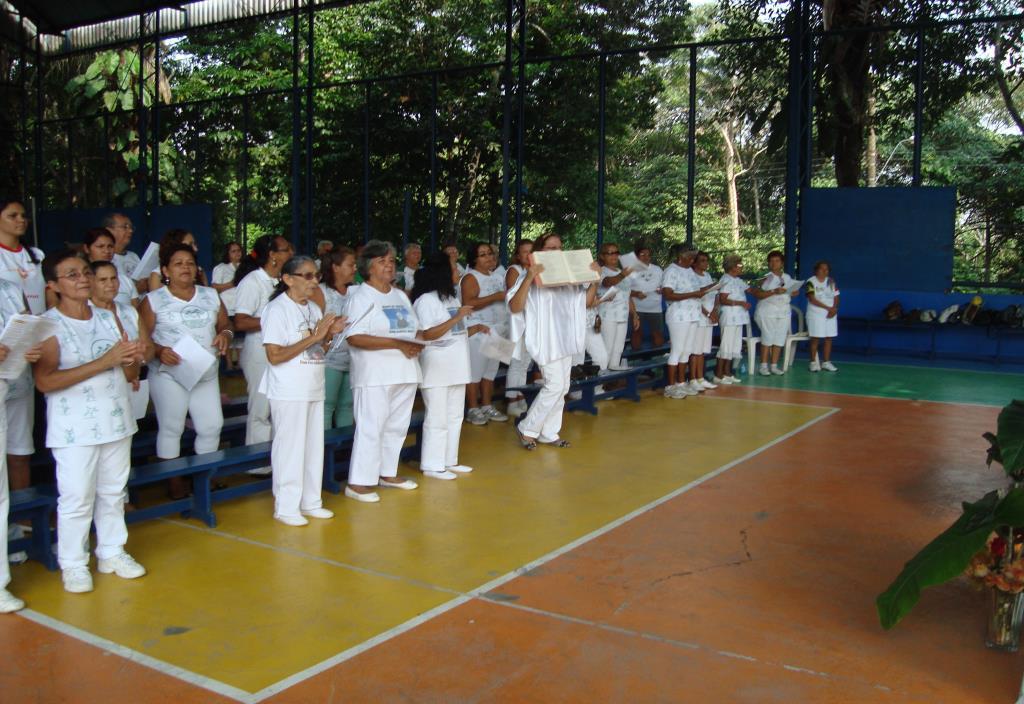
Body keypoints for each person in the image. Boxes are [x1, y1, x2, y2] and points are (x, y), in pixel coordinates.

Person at [35, 249, 147, 594]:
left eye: (84, 272)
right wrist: (106, 361)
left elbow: (129, 370)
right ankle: (74, 563)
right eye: (72, 275)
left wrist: (132, 359)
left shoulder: (107, 317)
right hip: (75, 428)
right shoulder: (49, 325)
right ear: (53, 285)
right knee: (77, 497)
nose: (82, 279)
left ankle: (112, 551)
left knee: (113, 491)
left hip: (115, 417)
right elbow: (46, 381)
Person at [140, 244, 232, 499]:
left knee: (212, 426)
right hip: (170, 373)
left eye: (190, 263)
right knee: (171, 427)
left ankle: (205, 479)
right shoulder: (153, 300)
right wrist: (159, 351)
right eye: (178, 263)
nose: (185, 267)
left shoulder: (210, 295)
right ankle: (175, 483)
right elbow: (142, 338)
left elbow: (225, 324)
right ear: (165, 270)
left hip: (204, 372)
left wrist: (225, 334)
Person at [262, 256, 345, 525]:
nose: (314, 281)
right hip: (288, 389)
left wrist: (331, 334)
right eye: (307, 276)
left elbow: (319, 348)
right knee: (290, 448)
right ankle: (286, 506)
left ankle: (311, 501)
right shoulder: (277, 310)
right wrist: (316, 336)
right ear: (288, 279)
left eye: (316, 275)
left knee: (312, 447)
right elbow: (274, 355)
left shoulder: (313, 308)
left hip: (312, 385)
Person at [343, 240, 423, 502]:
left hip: (405, 371)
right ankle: (358, 483)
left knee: (397, 426)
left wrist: (418, 343)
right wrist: (397, 343)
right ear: (368, 267)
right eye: (382, 261)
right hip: (374, 374)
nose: (389, 265)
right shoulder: (360, 297)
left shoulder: (399, 295)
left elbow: (414, 329)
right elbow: (354, 337)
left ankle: (387, 473)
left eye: (391, 260)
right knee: (371, 427)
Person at [507, 233, 599, 450]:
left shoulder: (567, 278)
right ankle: (527, 428)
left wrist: (595, 280)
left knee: (563, 386)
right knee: (554, 385)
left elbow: (586, 302)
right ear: (539, 252)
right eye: (550, 248)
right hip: (545, 339)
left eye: (558, 247)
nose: (555, 251)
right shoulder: (527, 276)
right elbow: (515, 307)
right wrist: (529, 277)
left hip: (565, 337)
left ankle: (549, 432)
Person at [412, 252, 483, 479]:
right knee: (437, 417)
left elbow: (456, 331)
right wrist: (456, 318)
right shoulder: (425, 301)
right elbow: (427, 334)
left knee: (454, 416)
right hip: (437, 367)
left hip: (457, 365)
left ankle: (449, 460)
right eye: (454, 269)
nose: (458, 273)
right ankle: (432, 465)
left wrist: (475, 328)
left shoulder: (451, 299)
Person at [0, 199, 44, 556]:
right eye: (11, 216)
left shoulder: (14, 288)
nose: (20, 221)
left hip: (18, 374)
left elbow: (28, 321)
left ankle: (22, 528)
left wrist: (28, 346)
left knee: (19, 449)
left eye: (21, 215)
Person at [234, 235, 295, 468]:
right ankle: (258, 463)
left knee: (278, 407)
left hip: (283, 351)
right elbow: (240, 321)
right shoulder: (253, 281)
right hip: (259, 352)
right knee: (261, 408)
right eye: (286, 249)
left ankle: (277, 458)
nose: (290, 254)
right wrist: (275, 320)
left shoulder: (283, 280)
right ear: (272, 255)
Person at [0, 277, 40, 612]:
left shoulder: (9, 288)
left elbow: (26, 323)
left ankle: (0, 582)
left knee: (0, 493)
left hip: (7, 386)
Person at [461, 242, 509, 425]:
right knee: (475, 372)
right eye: (483, 255)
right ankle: (473, 408)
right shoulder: (470, 277)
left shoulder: (496, 276)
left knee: (490, 372)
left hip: (497, 329)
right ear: (474, 259)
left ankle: (487, 405)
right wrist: (494, 297)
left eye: (490, 253)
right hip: (479, 330)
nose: (489, 257)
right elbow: (468, 303)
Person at [661, 246, 716, 399]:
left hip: (693, 315)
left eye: (693, 258)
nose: (693, 260)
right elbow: (668, 294)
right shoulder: (671, 271)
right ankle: (670, 386)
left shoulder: (689, 271)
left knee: (686, 351)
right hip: (679, 316)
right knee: (677, 351)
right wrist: (693, 294)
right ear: (681, 256)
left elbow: (697, 289)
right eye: (690, 257)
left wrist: (711, 287)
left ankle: (681, 383)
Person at [312, 247, 357, 429]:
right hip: (329, 358)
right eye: (350, 264)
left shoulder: (356, 291)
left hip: (351, 357)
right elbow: (312, 326)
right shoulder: (320, 292)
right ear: (335, 267)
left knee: (347, 406)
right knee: (326, 406)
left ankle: (342, 453)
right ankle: (324, 452)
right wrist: (332, 325)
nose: (355, 268)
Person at [753, 250, 798, 375]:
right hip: (767, 311)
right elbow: (758, 293)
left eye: (777, 261)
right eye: (771, 261)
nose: (774, 263)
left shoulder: (787, 277)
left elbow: (790, 292)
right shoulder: (765, 277)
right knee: (767, 337)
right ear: (768, 263)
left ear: (782, 263)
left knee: (779, 338)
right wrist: (774, 291)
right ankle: (763, 366)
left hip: (783, 311)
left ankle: (773, 365)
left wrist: (793, 292)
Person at [504, 240, 535, 417]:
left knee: (525, 363)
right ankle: (511, 400)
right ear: (518, 255)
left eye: (531, 251)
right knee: (516, 363)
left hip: (531, 322)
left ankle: (520, 395)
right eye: (524, 252)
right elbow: (514, 297)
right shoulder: (514, 270)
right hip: (518, 322)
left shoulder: (534, 270)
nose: (528, 255)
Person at [597, 242, 639, 372]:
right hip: (607, 315)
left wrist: (635, 314)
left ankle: (611, 379)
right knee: (607, 348)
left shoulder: (622, 272)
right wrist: (623, 275)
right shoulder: (601, 271)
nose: (614, 255)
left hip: (623, 314)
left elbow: (628, 294)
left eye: (616, 252)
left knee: (619, 348)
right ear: (602, 256)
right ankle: (599, 382)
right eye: (610, 253)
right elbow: (607, 282)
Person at [714, 254, 752, 384]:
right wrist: (741, 303)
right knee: (726, 345)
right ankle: (718, 375)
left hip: (738, 318)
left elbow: (752, 290)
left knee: (734, 345)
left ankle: (727, 373)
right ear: (732, 267)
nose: (742, 267)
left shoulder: (737, 280)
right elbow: (723, 299)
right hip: (729, 317)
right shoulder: (726, 279)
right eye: (739, 265)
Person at [83, 228, 138, 310]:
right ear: (87, 249)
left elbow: (135, 314)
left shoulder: (125, 280)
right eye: (100, 246)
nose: (106, 251)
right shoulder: (82, 281)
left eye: (110, 246)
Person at [689, 251, 719, 392]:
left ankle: (701, 378)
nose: (706, 263)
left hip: (709, 318)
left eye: (706, 260)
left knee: (702, 351)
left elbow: (716, 296)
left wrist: (714, 311)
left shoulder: (707, 276)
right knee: (695, 351)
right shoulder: (692, 277)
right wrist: (707, 313)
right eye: (702, 260)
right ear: (694, 263)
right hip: (699, 317)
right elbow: (695, 298)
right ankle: (693, 379)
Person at [805, 260, 840, 372]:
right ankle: (813, 362)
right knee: (815, 338)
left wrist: (834, 308)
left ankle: (826, 362)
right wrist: (828, 308)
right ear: (816, 270)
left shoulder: (831, 281)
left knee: (829, 338)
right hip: (816, 314)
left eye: (827, 269)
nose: (825, 271)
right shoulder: (810, 282)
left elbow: (836, 296)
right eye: (822, 268)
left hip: (830, 314)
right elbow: (812, 299)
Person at [629, 243, 665, 350]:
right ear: (636, 257)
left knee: (657, 333)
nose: (646, 257)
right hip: (637, 308)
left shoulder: (657, 269)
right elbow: (623, 291)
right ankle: (635, 358)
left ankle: (657, 357)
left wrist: (661, 290)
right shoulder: (631, 270)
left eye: (648, 255)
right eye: (642, 254)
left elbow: (664, 286)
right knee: (637, 332)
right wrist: (636, 294)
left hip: (655, 308)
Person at [104, 212, 144, 294]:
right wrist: (136, 290)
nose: (130, 231)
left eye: (131, 227)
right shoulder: (106, 257)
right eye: (125, 227)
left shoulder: (133, 256)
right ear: (109, 231)